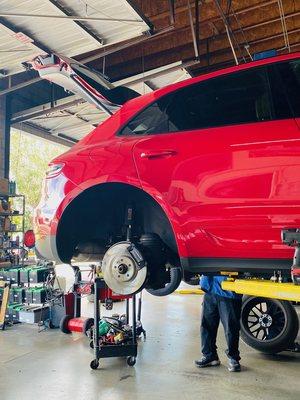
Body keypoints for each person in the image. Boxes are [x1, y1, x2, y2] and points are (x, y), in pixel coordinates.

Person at [195, 275, 243, 372]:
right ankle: (210, 355)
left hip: (228, 291)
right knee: (207, 325)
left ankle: (233, 358)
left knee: (231, 327)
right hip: (210, 289)